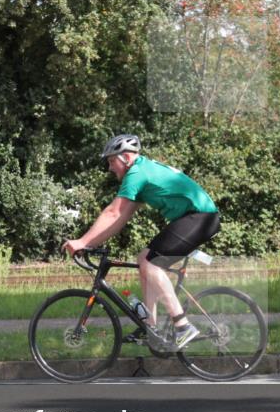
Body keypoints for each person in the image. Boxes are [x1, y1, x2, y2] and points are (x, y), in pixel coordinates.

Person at [62, 133, 220, 349]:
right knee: (144, 258)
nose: (110, 168)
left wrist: (81, 241)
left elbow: (112, 213)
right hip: (194, 218)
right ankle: (150, 328)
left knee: (151, 264)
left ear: (126, 157)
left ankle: (183, 326)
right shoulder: (142, 172)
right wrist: (91, 243)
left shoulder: (136, 173)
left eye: (111, 161)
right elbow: (120, 218)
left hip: (200, 218)